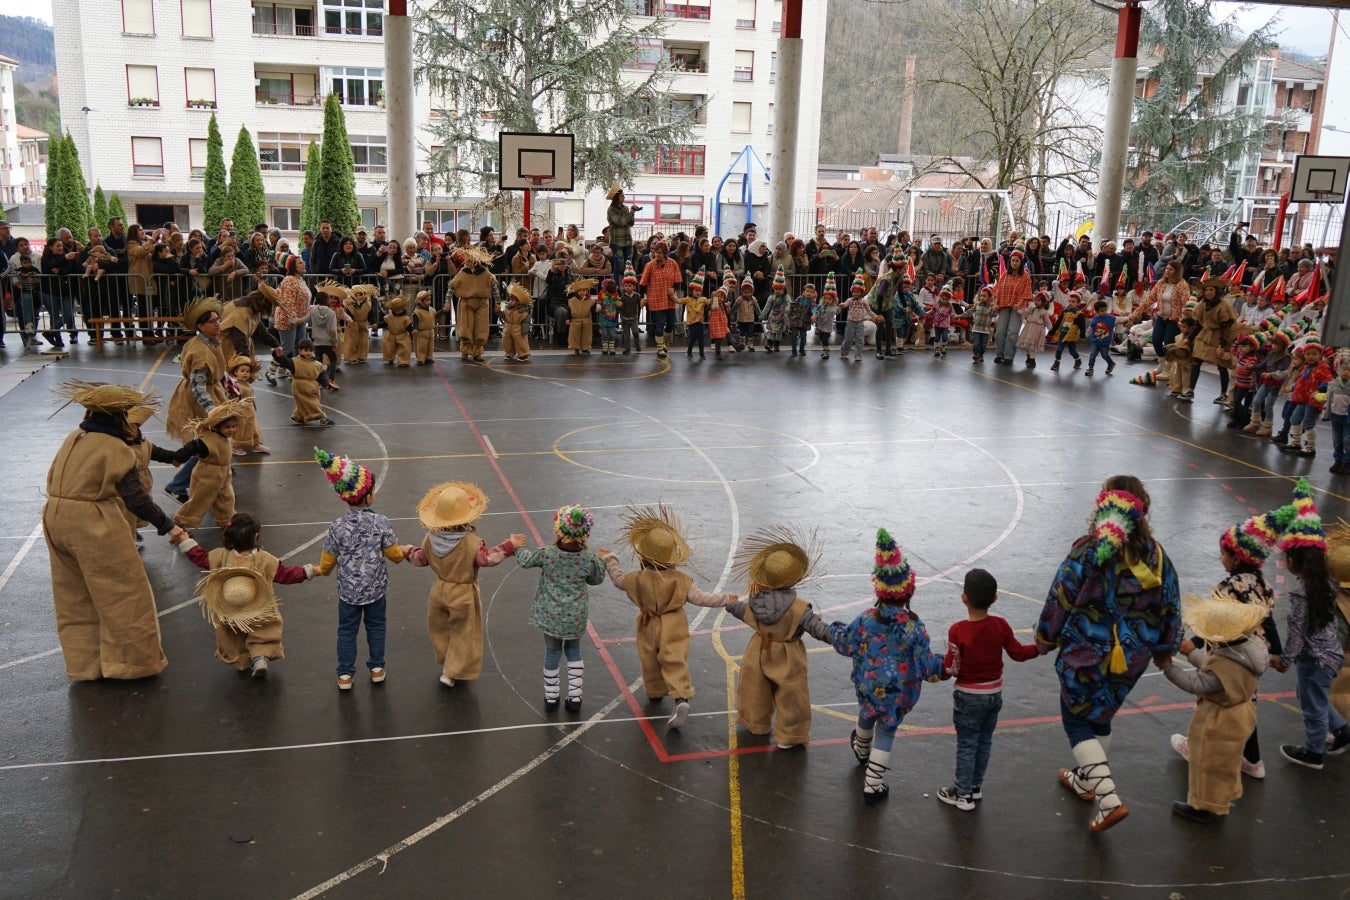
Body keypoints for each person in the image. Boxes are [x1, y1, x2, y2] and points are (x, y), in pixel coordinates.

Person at [1036, 477, 1180, 833]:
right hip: (1132, 657)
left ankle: (1109, 798)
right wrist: (1165, 650)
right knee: (1101, 716)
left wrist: (1045, 637)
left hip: (1086, 652)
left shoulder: (1087, 551)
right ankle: (1086, 782)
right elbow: (1171, 605)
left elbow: (1062, 595)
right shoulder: (1157, 556)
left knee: (1076, 721)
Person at [44, 383, 189, 680]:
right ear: (119, 416)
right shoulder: (115, 448)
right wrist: (169, 525)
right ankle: (131, 664)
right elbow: (136, 499)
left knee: (74, 595)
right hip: (91, 522)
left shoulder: (75, 437)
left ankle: (85, 665)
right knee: (124, 592)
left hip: (55, 517)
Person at [826, 529, 942, 801]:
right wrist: (947, 666)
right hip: (897, 695)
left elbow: (845, 644)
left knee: (866, 713)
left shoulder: (866, 619)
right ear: (908, 593)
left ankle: (861, 751)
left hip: (868, 686)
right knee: (886, 732)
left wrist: (833, 628)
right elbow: (927, 667)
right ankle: (873, 783)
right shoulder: (915, 627)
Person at [597, 505, 736, 729]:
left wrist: (610, 559)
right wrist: (726, 599)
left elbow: (618, 579)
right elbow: (702, 598)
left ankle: (654, 691)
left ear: (643, 555)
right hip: (674, 624)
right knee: (674, 660)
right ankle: (681, 697)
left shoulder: (637, 578)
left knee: (649, 658)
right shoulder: (681, 580)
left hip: (648, 622)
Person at [1169, 512, 1282, 781]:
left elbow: (1216, 624)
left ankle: (1195, 747)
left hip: (1229, 654)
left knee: (1210, 700)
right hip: (1256, 655)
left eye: (1223, 554)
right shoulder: (1263, 584)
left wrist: (1192, 644)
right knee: (1246, 702)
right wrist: (1277, 652)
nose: (1221, 559)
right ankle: (1253, 761)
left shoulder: (1230, 585)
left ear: (1237, 557)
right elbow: (1269, 620)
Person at [1160, 590, 1270, 822]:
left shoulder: (1227, 662)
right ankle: (1220, 800)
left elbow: (1197, 683)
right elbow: (1214, 668)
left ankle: (1206, 808)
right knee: (1225, 763)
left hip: (1220, 718)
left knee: (1208, 763)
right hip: (1242, 711)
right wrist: (1193, 655)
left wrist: (1168, 667)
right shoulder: (1248, 649)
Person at [401, 482, 524, 687]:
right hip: (462, 592)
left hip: (439, 590)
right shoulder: (471, 543)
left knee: (440, 627)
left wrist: (406, 551)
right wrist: (509, 545)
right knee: (463, 632)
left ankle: (445, 659)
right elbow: (489, 559)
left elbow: (420, 559)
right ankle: (451, 671)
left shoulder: (429, 540)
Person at [937, 568, 1038, 810]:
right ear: (994, 598)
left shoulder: (958, 630)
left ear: (964, 598)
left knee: (967, 743)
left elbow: (952, 667)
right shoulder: (1000, 625)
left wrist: (933, 672)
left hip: (968, 697)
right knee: (984, 742)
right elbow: (1018, 653)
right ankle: (974, 786)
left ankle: (961, 793)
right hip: (994, 695)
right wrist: (1041, 647)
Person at [725, 526, 831, 751]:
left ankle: (756, 723)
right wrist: (836, 636)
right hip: (787, 654)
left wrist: (729, 603)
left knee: (753, 690)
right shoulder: (798, 608)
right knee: (792, 696)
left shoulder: (756, 600)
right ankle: (789, 735)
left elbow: (742, 611)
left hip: (758, 649)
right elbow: (816, 627)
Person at [178, 513, 320, 678]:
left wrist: (185, 540)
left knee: (232, 635)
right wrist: (310, 571)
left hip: (229, 607)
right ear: (257, 537)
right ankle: (260, 657)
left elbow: (199, 557)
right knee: (264, 629)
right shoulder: (264, 559)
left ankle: (241, 660)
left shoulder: (220, 555)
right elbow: (285, 574)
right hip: (257, 606)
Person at [314, 448, 407, 690]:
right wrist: (405, 551)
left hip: (348, 592)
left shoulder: (337, 526)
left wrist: (319, 571)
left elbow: (327, 563)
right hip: (376, 590)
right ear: (368, 497)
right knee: (376, 627)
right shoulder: (380, 522)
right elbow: (394, 555)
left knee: (346, 631)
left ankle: (345, 674)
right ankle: (377, 668)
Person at [1274, 479, 1350, 768]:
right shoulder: (1328, 584)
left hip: (1314, 660)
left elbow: (1296, 635)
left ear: (1293, 562)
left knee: (1312, 705)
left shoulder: (1301, 596)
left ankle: (1314, 752)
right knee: (1309, 695)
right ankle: (1342, 729)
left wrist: (1284, 660)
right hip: (1329, 655)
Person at [514, 505, 607, 712]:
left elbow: (526, 561)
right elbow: (596, 579)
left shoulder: (547, 553)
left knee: (552, 651)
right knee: (574, 650)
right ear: (584, 534)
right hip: (575, 617)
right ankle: (575, 698)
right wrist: (602, 561)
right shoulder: (588, 558)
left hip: (551, 616)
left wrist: (517, 547)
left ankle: (551, 697)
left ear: (559, 531)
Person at [163, 297, 227, 504]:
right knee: (207, 444)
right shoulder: (200, 350)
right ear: (200, 326)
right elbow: (197, 386)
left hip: (211, 391)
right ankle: (177, 485)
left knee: (210, 444)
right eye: (212, 321)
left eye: (218, 319)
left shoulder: (209, 342)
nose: (218, 323)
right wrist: (213, 410)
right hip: (197, 400)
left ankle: (210, 483)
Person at [172, 399, 249, 530]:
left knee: (226, 498)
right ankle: (179, 522)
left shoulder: (224, 437)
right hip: (206, 475)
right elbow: (191, 447)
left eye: (233, 426)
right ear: (218, 426)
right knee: (199, 500)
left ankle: (226, 520)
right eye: (227, 427)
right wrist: (178, 458)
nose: (231, 430)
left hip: (223, 474)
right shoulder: (207, 439)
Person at [271, 339, 335, 426]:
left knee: (304, 403)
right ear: (300, 351)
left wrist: (326, 383)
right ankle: (322, 418)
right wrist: (277, 355)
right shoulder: (295, 362)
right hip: (300, 387)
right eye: (306, 350)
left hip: (313, 387)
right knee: (311, 403)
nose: (308, 353)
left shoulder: (317, 364)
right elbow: (284, 361)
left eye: (310, 350)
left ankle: (298, 416)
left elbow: (321, 375)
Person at [449, 245, 495, 362]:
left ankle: (478, 352)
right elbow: (452, 286)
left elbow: (494, 286)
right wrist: (447, 301)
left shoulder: (485, 273)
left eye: (470, 261)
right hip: (466, 303)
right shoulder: (463, 273)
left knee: (481, 329)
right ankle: (465, 351)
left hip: (482, 302)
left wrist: (499, 303)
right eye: (467, 261)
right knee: (466, 328)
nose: (467, 263)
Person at [639, 241, 682, 359]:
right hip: (655, 298)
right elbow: (642, 283)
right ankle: (659, 348)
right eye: (655, 252)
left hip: (669, 299)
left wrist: (673, 289)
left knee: (671, 324)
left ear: (665, 253)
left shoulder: (673, 264)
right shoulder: (650, 265)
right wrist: (642, 297)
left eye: (659, 252)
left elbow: (678, 281)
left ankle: (663, 342)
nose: (656, 255)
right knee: (660, 324)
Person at [991, 249, 1032, 365]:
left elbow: (1026, 293)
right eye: (1013, 260)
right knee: (999, 331)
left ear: (1021, 262)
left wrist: (1019, 304)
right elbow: (997, 290)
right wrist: (995, 303)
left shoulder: (1025, 276)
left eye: (1017, 261)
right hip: (1003, 305)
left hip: (1016, 307)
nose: (1014, 263)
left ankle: (1008, 356)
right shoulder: (1005, 274)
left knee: (1012, 332)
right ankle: (999, 354)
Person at [226, 355, 268, 456]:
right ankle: (235, 446)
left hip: (249, 410)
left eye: (247, 371)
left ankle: (256, 444)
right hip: (241, 411)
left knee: (253, 428)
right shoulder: (235, 384)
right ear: (235, 372)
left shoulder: (246, 383)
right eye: (242, 371)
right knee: (241, 429)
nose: (245, 373)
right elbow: (232, 398)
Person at [1050, 288, 1087, 372]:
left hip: (1071, 334)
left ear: (1078, 303)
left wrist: (1082, 334)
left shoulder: (1079, 314)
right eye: (1069, 301)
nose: (1070, 303)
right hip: (1063, 333)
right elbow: (1059, 322)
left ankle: (1078, 360)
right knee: (1059, 348)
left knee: (1072, 350)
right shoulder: (1064, 311)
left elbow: (1082, 325)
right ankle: (1057, 363)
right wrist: (1052, 331)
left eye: (1073, 302)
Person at [606, 185, 637, 283]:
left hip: (628, 242)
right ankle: (616, 286)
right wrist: (630, 213)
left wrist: (632, 213)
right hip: (617, 244)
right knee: (619, 264)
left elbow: (631, 223)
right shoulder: (611, 210)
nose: (624, 198)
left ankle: (628, 285)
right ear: (616, 197)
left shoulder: (625, 208)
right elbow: (621, 222)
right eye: (622, 196)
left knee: (629, 264)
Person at [677, 270, 709, 360]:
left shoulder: (703, 299)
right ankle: (689, 351)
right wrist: (672, 296)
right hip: (691, 323)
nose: (698, 292)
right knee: (693, 338)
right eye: (696, 291)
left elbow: (709, 301)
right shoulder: (687, 299)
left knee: (701, 339)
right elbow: (679, 301)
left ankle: (702, 354)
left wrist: (715, 297)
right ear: (691, 291)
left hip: (700, 322)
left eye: (699, 291)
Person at [1016, 289, 1051, 369]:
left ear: (1043, 302)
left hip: (1037, 330)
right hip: (1028, 328)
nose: (1036, 302)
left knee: (1032, 346)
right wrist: (1017, 310)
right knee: (1026, 345)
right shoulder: (1031, 309)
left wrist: (1051, 331)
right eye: (1036, 300)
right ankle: (1029, 356)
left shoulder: (1044, 312)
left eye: (1039, 300)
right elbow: (1024, 313)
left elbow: (1047, 322)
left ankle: (1032, 360)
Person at [1085, 299, 1117, 377]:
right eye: (1101, 311)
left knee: (1104, 355)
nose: (1104, 312)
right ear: (1096, 312)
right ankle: (1090, 368)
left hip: (1105, 342)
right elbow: (1090, 328)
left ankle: (1111, 363)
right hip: (1095, 342)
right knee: (1092, 355)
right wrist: (1085, 335)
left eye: (1105, 310)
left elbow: (1119, 319)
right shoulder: (1094, 319)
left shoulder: (1111, 318)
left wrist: (1128, 318)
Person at [502, 283, 533, 362]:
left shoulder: (523, 311)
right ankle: (509, 353)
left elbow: (526, 321)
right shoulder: (507, 308)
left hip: (518, 328)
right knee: (507, 341)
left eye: (513, 300)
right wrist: (498, 311)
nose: (510, 301)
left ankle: (523, 354)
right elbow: (503, 316)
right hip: (508, 327)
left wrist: (524, 330)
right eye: (510, 300)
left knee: (520, 342)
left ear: (518, 301)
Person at [380, 295, 414, 367]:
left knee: (404, 348)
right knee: (388, 347)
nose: (398, 311)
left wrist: (412, 332)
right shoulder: (389, 316)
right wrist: (377, 325)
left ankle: (403, 361)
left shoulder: (405, 318)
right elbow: (384, 323)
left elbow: (409, 327)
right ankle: (389, 358)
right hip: (390, 334)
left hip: (402, 335)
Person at [617, 262, 643, 355]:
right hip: (625, 318)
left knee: (635, 332)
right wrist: (620, 305)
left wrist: (642, 303)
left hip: (634, 317)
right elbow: (621, 307)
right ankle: (627, 348)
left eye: (630, 286)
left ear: (634, 287)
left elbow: (640, 303)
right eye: (626, 286)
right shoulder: (623, 296)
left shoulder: (637, 296)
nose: (627, 288)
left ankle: (637, 344)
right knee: (626, 334)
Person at [812, 274, 839, 360]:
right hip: (820, 325)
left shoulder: (833, 307)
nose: (827, 300)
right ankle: (824, 350)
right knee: (821, 338)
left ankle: (826, 351)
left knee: (824, 339)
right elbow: (816, 310)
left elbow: (837, 311)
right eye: (826, 298)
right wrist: (814, 315)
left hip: (827, 327)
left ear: (833, 300)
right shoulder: (821, 305)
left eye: (829, 299)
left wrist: (839, 307)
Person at [411, 289, 437, 365]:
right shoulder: (417, 312)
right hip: (421, 332)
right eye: (427, 300)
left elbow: (436, 315)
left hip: (430, 331)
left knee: (430, 346)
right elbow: (416, 321)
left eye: (430, 300)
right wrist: (415, 328)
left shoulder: (432, 310)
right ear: (421, 301)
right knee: (421, 346)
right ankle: (420, 358)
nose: (429, 302)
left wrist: (443, 311)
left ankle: (428, 357)